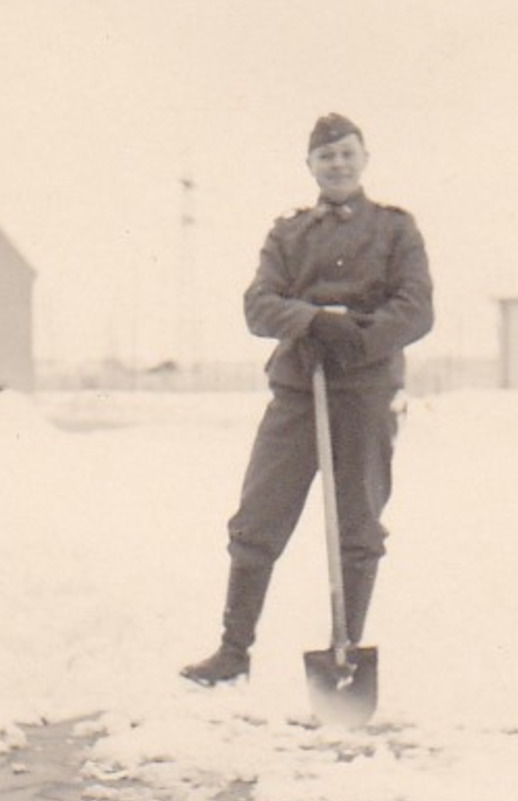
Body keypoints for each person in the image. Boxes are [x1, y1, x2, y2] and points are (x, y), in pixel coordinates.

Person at [181, 113, 434, 686]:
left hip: (364, 396)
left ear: (364, 157)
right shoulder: (288, 234)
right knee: (257, 519)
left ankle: (344, 656)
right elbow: (258, 305)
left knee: (359, 525)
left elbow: (417, 308)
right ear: (310, 166)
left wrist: (357, 337)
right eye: (326, 157)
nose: (337, 165)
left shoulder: (396, 230)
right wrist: (315, 321)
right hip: (298, 393)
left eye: (346, 153)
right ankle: (232, 652)